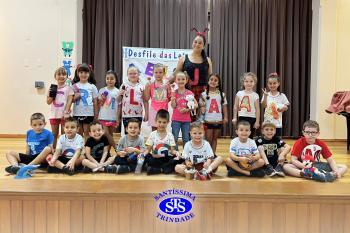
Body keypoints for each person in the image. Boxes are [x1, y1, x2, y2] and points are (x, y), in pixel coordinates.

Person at [283, 120, 347, 181]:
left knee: (344, 167)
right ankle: (309, 174)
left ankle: (329, 175)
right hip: (302, 166)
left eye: (313, 132)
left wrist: (336, 171)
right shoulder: (299, 142)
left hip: (317, 165)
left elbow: (330, 160)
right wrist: (304, 166)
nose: (310, 135)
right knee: (286, 167)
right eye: (307, 132)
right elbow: (293, 160)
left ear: (318, 134)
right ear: (303, 133)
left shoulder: (321, 144)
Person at [174, 28, 212, 120]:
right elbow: (175, 74)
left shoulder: (208, 60)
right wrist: (164, 82)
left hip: (203, 93)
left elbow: (210, 78)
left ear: (203, 46)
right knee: (188, 119)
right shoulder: (183, 58)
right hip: (187, 93)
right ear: (192, 43)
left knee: (202, 119)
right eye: (195, 42)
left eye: (200, 43)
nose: (197, 44)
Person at [144, 109, 182, 175]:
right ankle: (165, 169)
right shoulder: (152, 134)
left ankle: (158, 169)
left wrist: (177, 153)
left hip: (167, 158)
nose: (161, 124)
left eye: (164, 122)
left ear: (168, 122)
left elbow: (172, 151)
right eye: (159, 122)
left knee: (179, 159)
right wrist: (143, 155)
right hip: (156, 158)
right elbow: (148, 150)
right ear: (156, 121)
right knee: (148, 157)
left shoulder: (170, 135)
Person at [199, 74, 228, 154]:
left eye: (215, 80)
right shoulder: (204, 94)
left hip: (218, 120)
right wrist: (201, 120)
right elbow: (201, 109)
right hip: (208, 120)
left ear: (218, 83)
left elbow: (224, 107)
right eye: (211, 79)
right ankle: (207, 155)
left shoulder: (222, 95)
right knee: (208, 139)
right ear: (208, 81)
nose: (213, 81)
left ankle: (213, 154)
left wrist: (225, 117)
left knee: (215, 138)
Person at [46, 67, 74, 148]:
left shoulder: (69, 88)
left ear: (67, 77)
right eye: (59, 74)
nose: (61, 76)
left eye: (64, 74)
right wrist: (51, 95)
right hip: (54, 114)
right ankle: (53, 150)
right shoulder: (52, 88)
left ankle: (63, 151)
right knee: (54, 134)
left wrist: (66, 112)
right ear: (55, 76)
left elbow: (70, 100)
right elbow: (48, 102)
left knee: (64, 134)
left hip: (64, 115)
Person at [171, 71, 198, 150]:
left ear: (186, 80)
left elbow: (196, 105)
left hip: (186, 120)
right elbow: (173, 106)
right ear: (175, 81)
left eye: (183, 79)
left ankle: (186, 154)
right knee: (174, 138)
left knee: (186, 138)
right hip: (175, 120)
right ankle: (175, 155)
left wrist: (187, 109)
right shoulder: (174, 92)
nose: (181, 81)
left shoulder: (189, 92)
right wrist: (172, 95)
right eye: (178, 79)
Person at [71, 63, 98, 140]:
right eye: (81, 72)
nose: (83, 74)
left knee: (87, 132)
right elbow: (70, 101)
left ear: (89, 74)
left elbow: (95, 102)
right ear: (77, 73)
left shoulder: (92, 86)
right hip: (77, 113)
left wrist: (96, 115)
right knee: (78, 132)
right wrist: (74, 98)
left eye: (86, 72)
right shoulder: (74, 86)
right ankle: (79, 150)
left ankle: (87, 150)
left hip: (89, 113)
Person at [118, 66, 148, 134]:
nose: (133, 75)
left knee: (136, 133)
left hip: (138, 114)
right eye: (130, 73)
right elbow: (118, 100)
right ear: (127, 75)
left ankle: (136, 145)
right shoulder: (124, 85)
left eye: (135, 73)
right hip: (126, 115)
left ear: (138, 74)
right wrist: (120, 94)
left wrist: (146, 114)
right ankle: (127, 145)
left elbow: (145, 101)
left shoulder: (141, 86)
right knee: (127, 134)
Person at [232, 72, 260, 138]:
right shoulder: (239, 93)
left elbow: (257, 109)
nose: (249, 83)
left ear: (254, 82)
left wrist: (257, 121)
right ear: (243, 82)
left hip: (252, 118)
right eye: (246, 81)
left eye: (251, 81)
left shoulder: (255, 95)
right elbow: (235, 106)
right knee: (240, 135)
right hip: (242, 117)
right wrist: (235, 117)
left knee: (250, 136)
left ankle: (249, 148)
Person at [261, 72, 290, 137]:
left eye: (274, 83)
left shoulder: (282, 95)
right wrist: (265, 96)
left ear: (278, 84)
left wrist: (283, 108)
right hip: (267, 123)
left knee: (277, 140)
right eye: (270, 83)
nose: (272, 85)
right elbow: (264, 106)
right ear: (268, 84)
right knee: (267, 140)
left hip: (277, 124)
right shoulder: (266, 94)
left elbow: (286, 106)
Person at [144, 64, 171, 131]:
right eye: (156, 72)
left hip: (163, 110)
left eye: (160, 72)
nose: (158, 74)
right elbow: (146, 98)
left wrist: (164, 102)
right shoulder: (150, 84)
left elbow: (169, 97)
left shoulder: (167, 84)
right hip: (154, 109)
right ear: (153, 73)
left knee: (163, 128)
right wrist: (146, 88)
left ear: (164, 73)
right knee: (154, 129)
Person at [98, 70, 120, 150]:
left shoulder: (118, 91)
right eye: (107, 78)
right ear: (105, 79)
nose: (109, 80)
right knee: (106, 134)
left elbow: (119, 106)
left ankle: (108, 152)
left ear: (115, 80)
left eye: (112, 78)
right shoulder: (102, 90)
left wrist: (117, 118)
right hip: (103, 116)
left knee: (110, 135)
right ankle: (116, 147)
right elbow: (99, 105)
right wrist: (101, 99)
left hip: (113, 117)